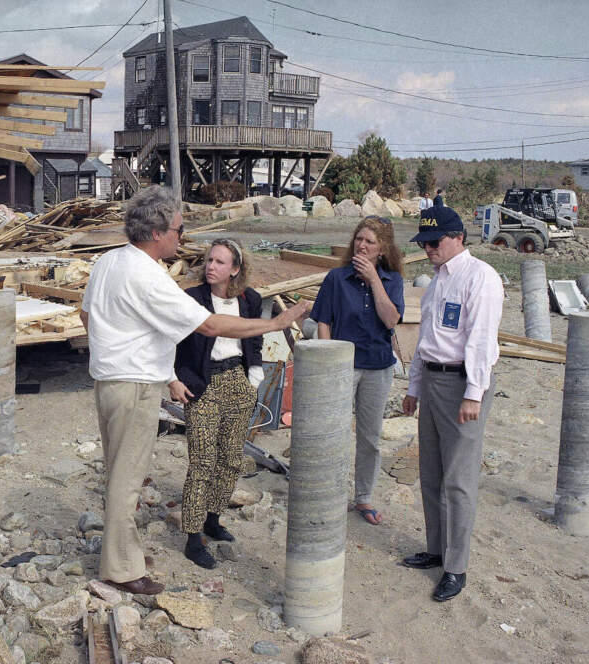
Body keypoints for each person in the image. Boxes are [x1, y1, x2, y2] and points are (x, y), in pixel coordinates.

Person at [81, 186, 308, 594]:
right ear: (156, 233)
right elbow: (209, 325)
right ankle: (121, 569)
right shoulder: (146, 274)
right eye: (178, 231)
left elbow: (85, 314)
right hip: (133, 385)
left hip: (110, 380)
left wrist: (112, 347)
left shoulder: (109, 261)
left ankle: (121, 554)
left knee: (120, 472)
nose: (181, 239)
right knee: (126, 479)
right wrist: (275, 324)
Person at [400, 205, 503, 602]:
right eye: (424, 243)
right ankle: (436, 548)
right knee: (431, 472)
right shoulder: (439, 280)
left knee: (458, 480)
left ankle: (456, 568)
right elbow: (427, 339)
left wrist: (474, 392)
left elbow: (480, 339)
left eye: (434, 241)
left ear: (458, 237)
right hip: (434, 381)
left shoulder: (481, 279)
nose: (428, 249)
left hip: (463, 383)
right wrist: (414, 387)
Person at [169, 238, 264, 570]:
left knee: (231, 459)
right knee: (202, 462)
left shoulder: (250, 299)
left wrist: (254, 375)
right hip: (202, 384)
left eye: (220, 262)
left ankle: (213, 518)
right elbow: (169, 339)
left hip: (238, 381)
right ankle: (193, 538)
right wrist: (172, 378)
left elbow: (254, 336)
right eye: (209, 260)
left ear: (235, 269)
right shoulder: (191, 299)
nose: (211, 266)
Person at [311, 216, 404, 526]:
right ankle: (328, 493)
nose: (362, 246)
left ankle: (363, 497)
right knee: (333, 432)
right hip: (342, 367)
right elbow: (323, 321)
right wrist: (326, 364)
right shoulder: (337, 278)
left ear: (383, 249)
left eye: (370, 242)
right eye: (359, 239)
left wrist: (375, 281)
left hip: (378, 367)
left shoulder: (392, 281)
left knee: (370, 438)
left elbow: (391, 320)